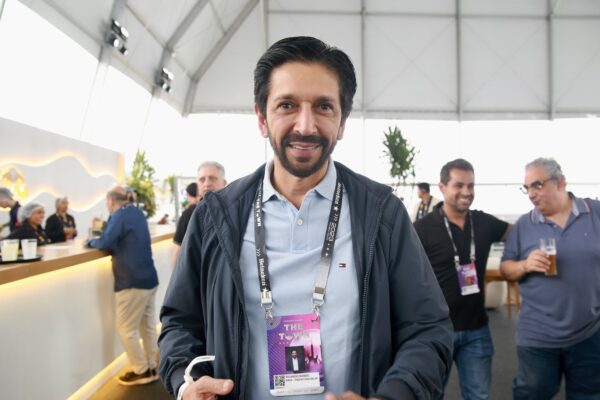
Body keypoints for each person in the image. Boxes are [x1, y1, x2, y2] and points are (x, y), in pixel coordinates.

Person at [158, 36, 452, 400]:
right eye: (287, 105)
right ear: (262, 119)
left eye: (324, 107)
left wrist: (391, 396)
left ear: (342, 122)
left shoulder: (381, 214)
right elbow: (179, 322)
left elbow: (427, 328)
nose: (306, 125)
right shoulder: (216, 217)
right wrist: (185, 383)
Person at [500, 158, 600, 399]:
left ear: (560, 182)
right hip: (538, 336)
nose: (531, 194)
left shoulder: (595, 213)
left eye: (537, 185)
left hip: (590, 332)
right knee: (532, 394)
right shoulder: (524, 225)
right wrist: (525, 265)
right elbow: (505, 268)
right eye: (526, 188)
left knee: (588, 395)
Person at [414, 159, 509, 400]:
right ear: (442, 187)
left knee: (478, 396)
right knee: (429, 395)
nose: (466, 192)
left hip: (477, 329)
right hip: (436, 332)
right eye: (459, 185)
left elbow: (521, 233)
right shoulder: (422, 229)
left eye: (471, 185)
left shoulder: (484, 222)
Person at [86, 186, 159, 386]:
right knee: (148, 326)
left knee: (126, 328)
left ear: (110, 201)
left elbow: (105, 241)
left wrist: (90, 243)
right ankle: (153, 365)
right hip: (149, 278)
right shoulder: (137, 212)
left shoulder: (120, 216)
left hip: (131, 281)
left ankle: (141, 370)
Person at [171, 163, 227, 266]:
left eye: (212, 178)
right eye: (202, 180)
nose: (207, 184)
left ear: (224, 183)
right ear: (198, 185)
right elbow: (177, 252)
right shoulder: (189, 214)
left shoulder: (234, 211)